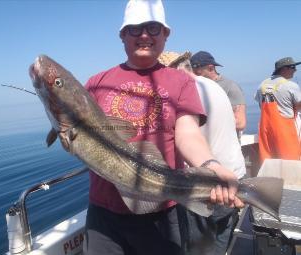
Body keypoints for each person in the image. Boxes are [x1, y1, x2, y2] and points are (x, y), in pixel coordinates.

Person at [83, 1, 243, 255]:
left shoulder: (180, 81)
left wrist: (210, 165)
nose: (144, 34)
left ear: (165, 35)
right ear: (122, 35)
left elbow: (188, 133)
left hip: (162, 210)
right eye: (135, 28)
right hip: (103, 214)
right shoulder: (96, 83)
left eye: (153, 28)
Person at [159, 51, 246, 255]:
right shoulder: (212, 86)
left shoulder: (185, 94)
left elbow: (184, 140)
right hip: (235, 174)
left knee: (198, 248)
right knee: (222, 238)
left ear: (172, 72)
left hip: (210, 186)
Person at [190, 51, 247, 139]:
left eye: (198, 73)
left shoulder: (230, 87)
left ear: (210, 68)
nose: (195, 76)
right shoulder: (197, 86)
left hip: (226, 147)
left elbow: (240, 123)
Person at [254, 57, 301, 162]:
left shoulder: (262, 85)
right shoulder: (291, 85)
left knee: (269, 159)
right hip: (285, 129)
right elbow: (298, 106)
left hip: (265, 129)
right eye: (293, 67)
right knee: (291, 161)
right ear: (284, 69)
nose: (295, 70)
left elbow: (260, 104)